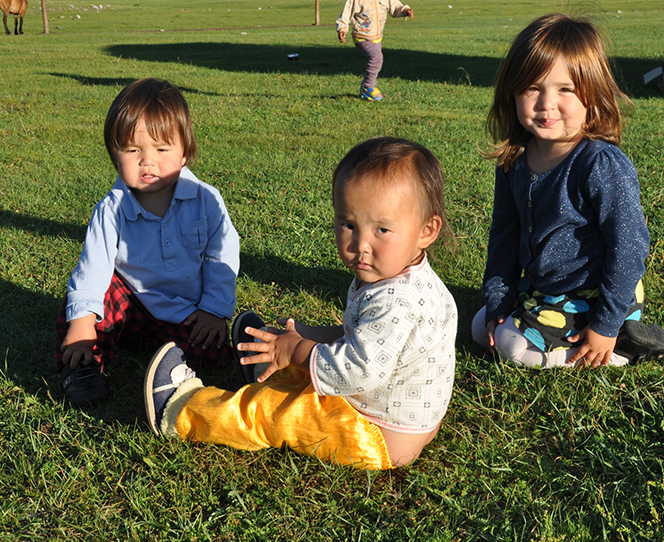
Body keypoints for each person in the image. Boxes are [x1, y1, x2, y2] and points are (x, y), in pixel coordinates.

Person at [149, 137, 456, 470]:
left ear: (427, 230)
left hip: (375, 433)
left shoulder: (398, 301)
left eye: (381, 229)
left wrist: (298, 350)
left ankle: (183, 411)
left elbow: (359, 370)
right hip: (398, 417)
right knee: (309, 369)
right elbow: (365, 337)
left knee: (275, 412)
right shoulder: (405, 277)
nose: (361, 244)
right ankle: (266, 359)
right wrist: (309, 335)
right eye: (349, 225)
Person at [471, 14, 664, 369]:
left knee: (509, 345)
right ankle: (548, 321)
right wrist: (498, 301)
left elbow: (629, 247)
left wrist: (605, 324)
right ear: (512, 92)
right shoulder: (514, 160)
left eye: (565, 89)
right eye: (531, 88)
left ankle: (618, 348)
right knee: (480, 326)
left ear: (592, 94)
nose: (546, 103)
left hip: (595, 293)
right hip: (543, 287)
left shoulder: (601, 164)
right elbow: (504, 237)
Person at [57, 78, 239, 407]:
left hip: (185, 306)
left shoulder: (206, 200)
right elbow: (92, 268)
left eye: (162, 149)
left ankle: (239, 354)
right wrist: (82, 322)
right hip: (130, 301)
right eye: (133, 150)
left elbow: (221, 256)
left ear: (185, 152)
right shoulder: (111, 209)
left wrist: (214, 310)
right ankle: (83, 368)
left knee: (211, 350)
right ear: (115, 155)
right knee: (87, 310)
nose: (147, 161)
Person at [334, 0, 415, 102]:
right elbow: (346, 13)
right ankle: (369, 86)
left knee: (376, 59)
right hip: (362, 36)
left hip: (377, 37)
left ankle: (364, 91)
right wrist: (342, 29)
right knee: (376, 58)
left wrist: (405, 11)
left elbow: (395, 7)